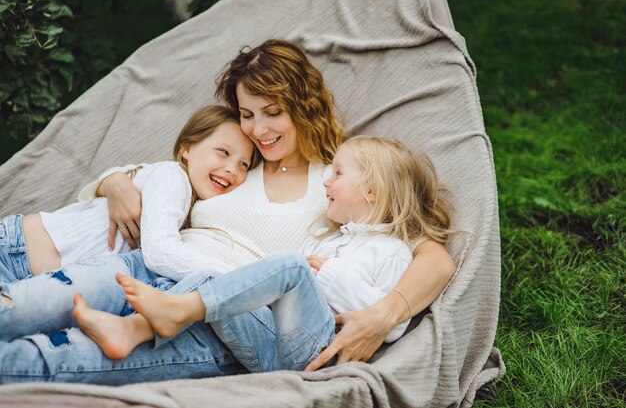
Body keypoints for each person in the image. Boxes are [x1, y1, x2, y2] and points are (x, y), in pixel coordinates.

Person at [0, 39, 455, 385]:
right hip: (142, 265)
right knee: (21, 307)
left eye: (272, 112)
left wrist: (385, 314)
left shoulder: (342, 181)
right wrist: (113, 180)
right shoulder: (241, 159)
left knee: (49, 357)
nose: (257, 129)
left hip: (222, 315)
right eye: (247, 113)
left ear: (303, 104)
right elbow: (172, 171)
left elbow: (430, 255)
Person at [73, 135, 453, 374]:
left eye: (337, 173)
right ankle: (131, 329)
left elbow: (394, 323)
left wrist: (328, 277)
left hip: (314, 353)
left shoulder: (392, 251)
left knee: (288, 265)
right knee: (213, 280)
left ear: (371, 191)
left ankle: (166, 315)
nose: (327, 180)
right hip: (272, 339)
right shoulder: (329, 236)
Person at [0, 104, 258, 339]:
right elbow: (160, 252)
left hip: (39, 280)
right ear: (187, 149)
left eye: (244, 164)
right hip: (15, 255)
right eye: (223, 152)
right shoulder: (172, 176)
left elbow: (127, 174)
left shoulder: (189, 203)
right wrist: (245, 280)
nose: (232, 169)